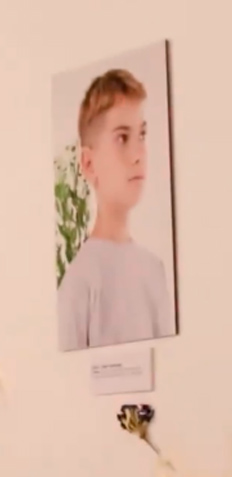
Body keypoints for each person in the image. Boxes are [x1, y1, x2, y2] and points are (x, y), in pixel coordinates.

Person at [57, 69, 175, 351]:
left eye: (142, 135)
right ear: (88, 164)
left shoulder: (154, 269)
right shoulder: (79, 281)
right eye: (122, 138)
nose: (138, 155)